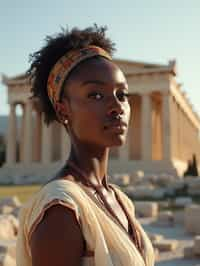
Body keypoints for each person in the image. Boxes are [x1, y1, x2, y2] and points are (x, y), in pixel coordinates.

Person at [16, 25, 155, 266]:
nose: (117, 107)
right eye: (96, 95)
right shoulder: (60, 209)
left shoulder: (119, 198)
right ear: (63, 110)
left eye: (122, 95)